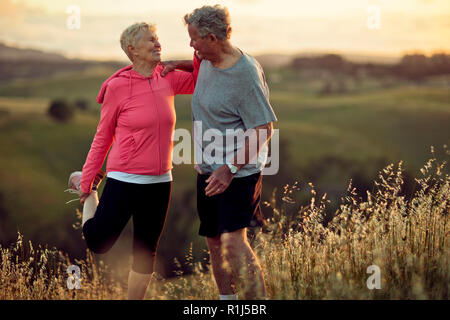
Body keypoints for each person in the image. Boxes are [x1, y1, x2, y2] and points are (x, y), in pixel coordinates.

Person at [65, 22, 196, 299]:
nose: (158, 43)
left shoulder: (168, 78)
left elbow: (202, 76)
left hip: (161, 181)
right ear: (132, 49)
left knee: (146, 250)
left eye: (158, 39)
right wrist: (87, 183)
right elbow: (103, 137)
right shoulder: (117, 87)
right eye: (151, 40)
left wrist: (179, 62)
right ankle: (87, 193)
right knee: (98, 243)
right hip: (124, 178)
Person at [171, 5, 278, 300]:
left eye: (194, 39)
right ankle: (227, 302)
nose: (191, 44)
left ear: (212, 38)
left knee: (233, 242)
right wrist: (173, 65)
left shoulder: (245, 75)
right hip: (208, 170)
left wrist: (229, 169)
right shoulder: (206, 58)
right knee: (215, 242)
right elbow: (197, 66)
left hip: (237, 172)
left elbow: (263, 129)